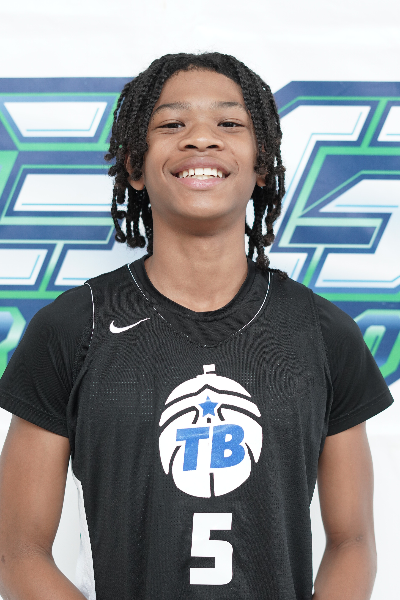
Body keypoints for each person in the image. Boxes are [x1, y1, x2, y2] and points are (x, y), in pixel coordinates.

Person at [0, 52, 394, 600]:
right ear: (134, 166)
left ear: (262, 164)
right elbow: (17, 551)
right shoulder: (72, 327)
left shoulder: (323, 333)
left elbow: (353, 541)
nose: (201, 139)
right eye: (172, 125)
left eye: (229, 123)